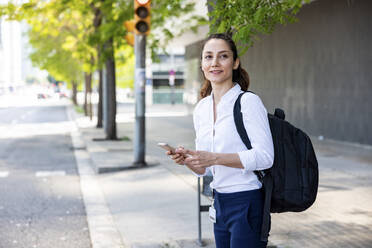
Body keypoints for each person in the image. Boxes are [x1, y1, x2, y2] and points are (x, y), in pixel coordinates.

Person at [167, 33, 274, 248]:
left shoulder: (248, 102)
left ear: (235, 63)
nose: (214, 63)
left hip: (247, 201)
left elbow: (265, 157)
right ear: (202, 64)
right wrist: (188, 160)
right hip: (219, 202)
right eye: (208, 57)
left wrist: (214, 158)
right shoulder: (202, 108)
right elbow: (205, 170)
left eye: (222, 56)